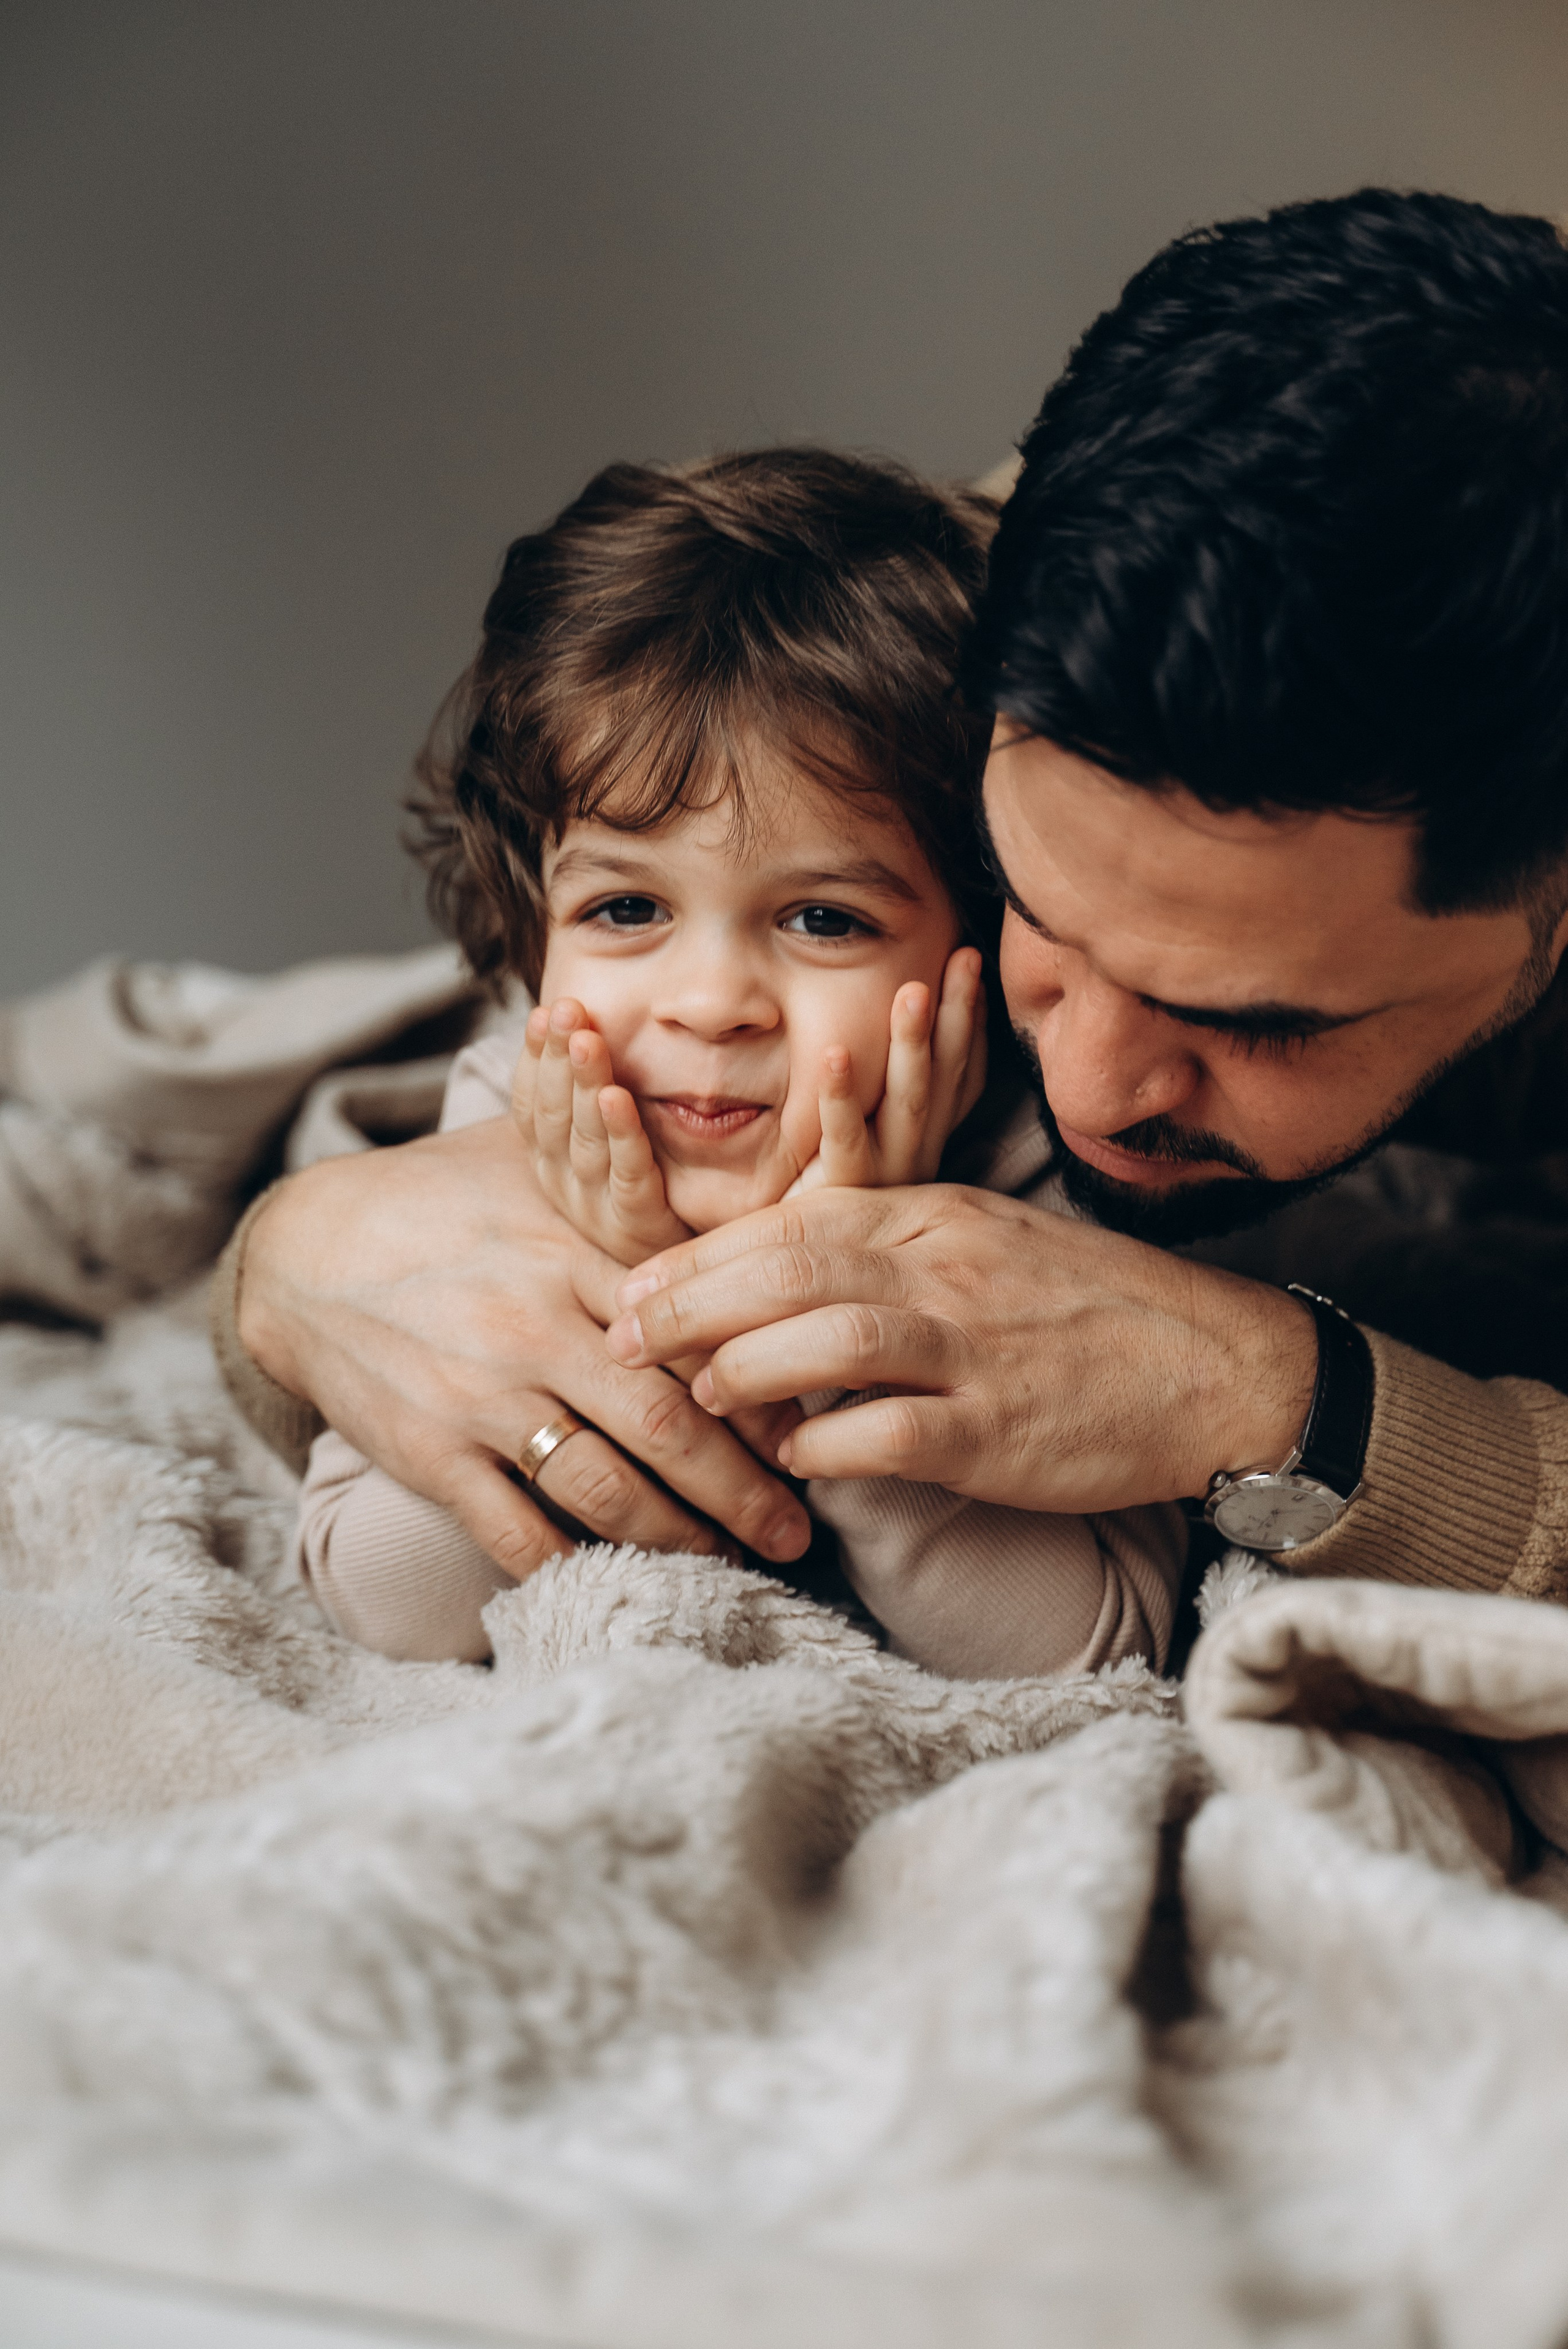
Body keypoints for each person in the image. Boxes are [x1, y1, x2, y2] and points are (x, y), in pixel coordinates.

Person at [215, 187, 1568, 1613]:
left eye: (1258, 1021)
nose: (1088, 1087)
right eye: (1030, 910)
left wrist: (1277, 1397)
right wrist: (290, 1259)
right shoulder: (1039, 595)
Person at [287, 451, 1183, 1670]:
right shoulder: (516, 1121)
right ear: (531, 930)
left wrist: (834, 1303)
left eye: (823, 919)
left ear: (985, 935)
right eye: (623, 911)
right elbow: (389, 1596)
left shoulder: (1037, 1172)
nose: (709, 1006)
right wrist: (633, 1263)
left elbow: (1082, 1649)